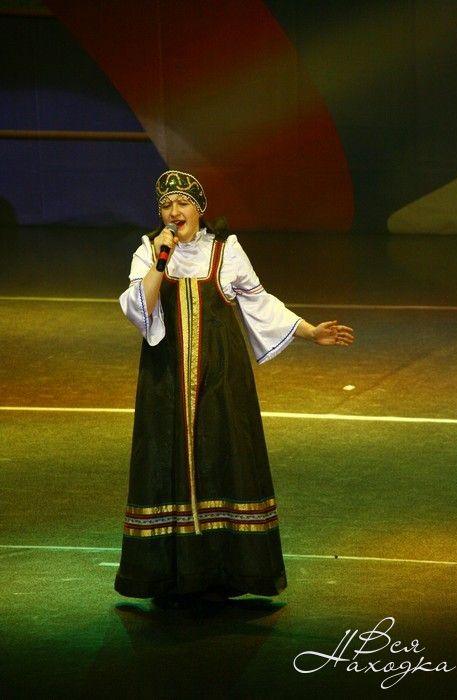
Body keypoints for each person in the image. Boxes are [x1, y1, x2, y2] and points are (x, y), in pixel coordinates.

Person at [114, 170, 353, 605]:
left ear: (199, 209)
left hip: (221, 378)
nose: (174, 212)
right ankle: (169, 572)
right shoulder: (149, 251)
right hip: (166, 380)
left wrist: (310, 332)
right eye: (166, 205)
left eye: (183, 203)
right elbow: (139, 309)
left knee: (223, 458)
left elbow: (261, 304)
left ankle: (226, 567)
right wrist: (160, 262)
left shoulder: (226, 251)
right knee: (167, 459)